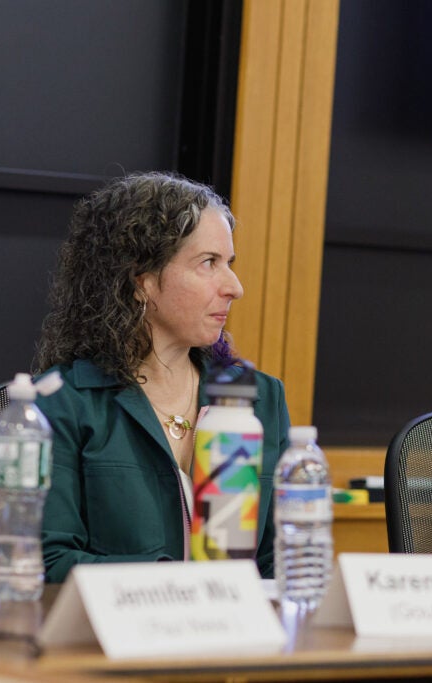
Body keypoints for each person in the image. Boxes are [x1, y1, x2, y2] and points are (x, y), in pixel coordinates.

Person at [33, 172, 290, 583]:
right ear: (142, 281)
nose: (235, 287)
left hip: (235, 639)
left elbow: (278, 561)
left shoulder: (260, 397)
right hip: (111, 641)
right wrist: (174, 586)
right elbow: (46, 563)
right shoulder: (63, 403)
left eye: (230, 264)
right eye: (209, 263)